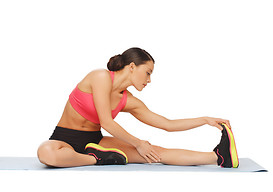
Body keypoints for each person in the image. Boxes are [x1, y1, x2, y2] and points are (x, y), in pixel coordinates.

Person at [37, 47, 238, 168]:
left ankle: (218, 157)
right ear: (132, 66)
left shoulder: (130, 101)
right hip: (65, 140)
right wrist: (137, 142)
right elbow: (106, 121)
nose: (149, 80)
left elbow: (167, 124)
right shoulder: (100, 77)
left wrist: (205, 120)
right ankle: (96, 159)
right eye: (148, 72)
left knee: (156, 153)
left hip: (96, 141)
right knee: (46, 153)